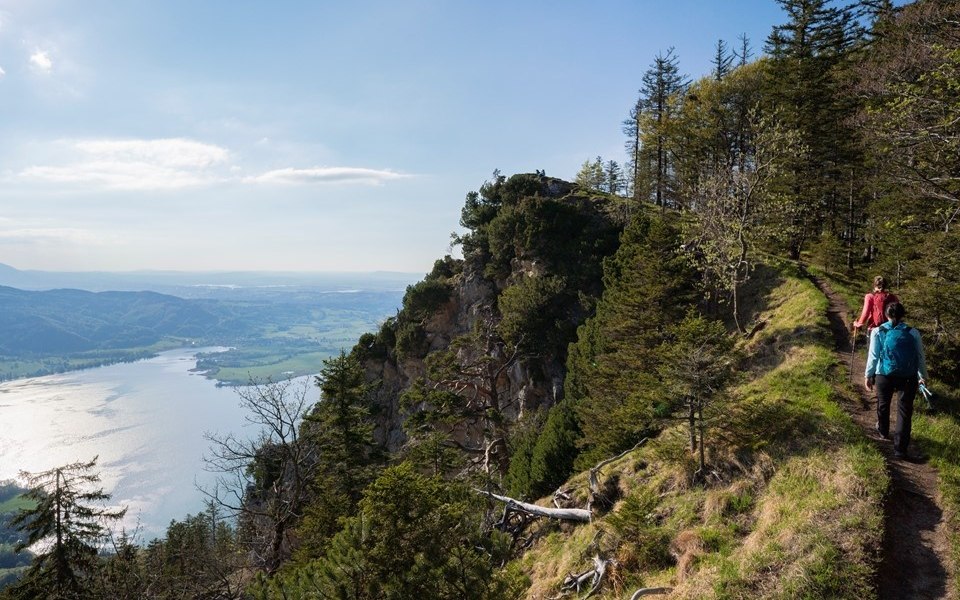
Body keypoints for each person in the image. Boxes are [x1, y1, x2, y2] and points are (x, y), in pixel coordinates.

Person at [864, 302, 928, 460]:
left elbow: (873, 356)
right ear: (903, 315)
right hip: (908, 376)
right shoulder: (912, 332)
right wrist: (922, 376)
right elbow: (920, 356)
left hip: (883, 375)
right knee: (904, 412)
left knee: (883, 404)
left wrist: (868, 375)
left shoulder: (878, 331)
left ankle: (883, 431)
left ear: (886, 315)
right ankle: (900, 450)